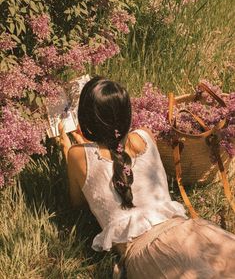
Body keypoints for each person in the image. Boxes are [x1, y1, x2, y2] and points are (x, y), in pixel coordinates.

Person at [59, 76, 235, 279]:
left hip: (149, 253)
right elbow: (117, 154)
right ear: (126, 114)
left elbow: (77, 203)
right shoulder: (144, 135)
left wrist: (70, 152)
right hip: (189, 231)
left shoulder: (77, 155)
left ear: (86, 118)